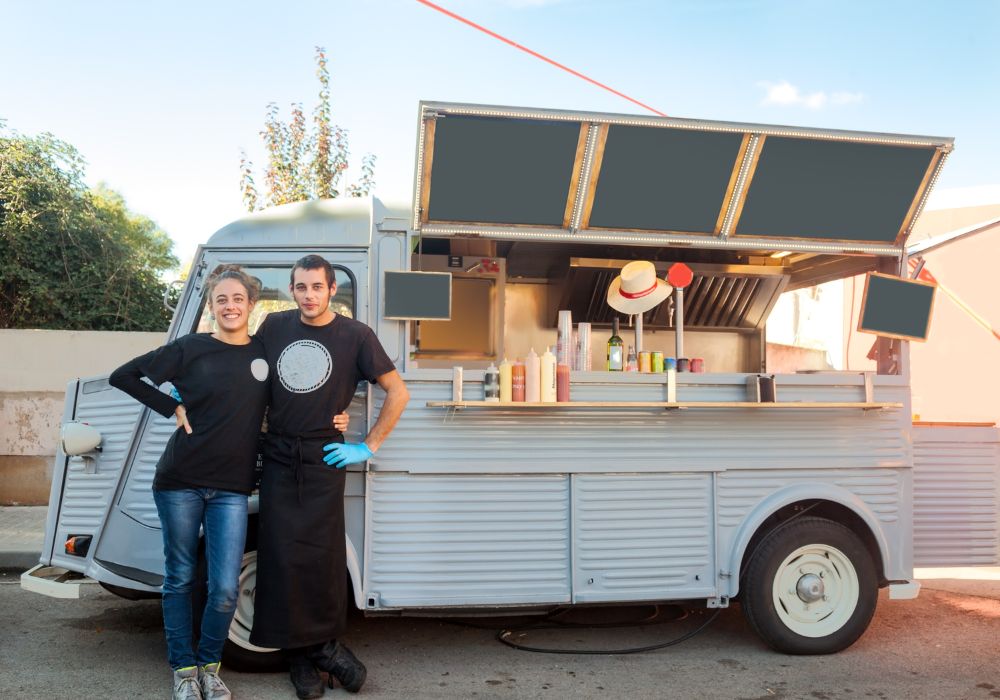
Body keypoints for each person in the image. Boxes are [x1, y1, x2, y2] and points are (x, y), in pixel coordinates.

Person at [110, 265, 349, 700]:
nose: (230, 306)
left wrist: (336, 415)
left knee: (223, 588)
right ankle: (185, 671)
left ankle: (210, 667)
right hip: (179, 482)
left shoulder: (263, 355)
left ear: (251, 304)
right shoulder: (190, 348)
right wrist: (171, 406)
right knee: (181, 578)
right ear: (212, 306)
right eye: (221, 299)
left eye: (238, 298)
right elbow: (123, 376)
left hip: (232, 490)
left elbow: (298, 391)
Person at [248, 254, 409, 698]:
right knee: (281, 559)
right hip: (279, 455)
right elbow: (250, 377)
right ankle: (311, 658)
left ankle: (319, 649)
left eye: (317, 287)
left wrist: (365, 444)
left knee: (320, 562)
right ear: (292, 290)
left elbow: (398, 392)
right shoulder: (274, 328)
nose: (308, 295)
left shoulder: (355, 335)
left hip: (325, 458)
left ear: (332, 289)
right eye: (300, 287)